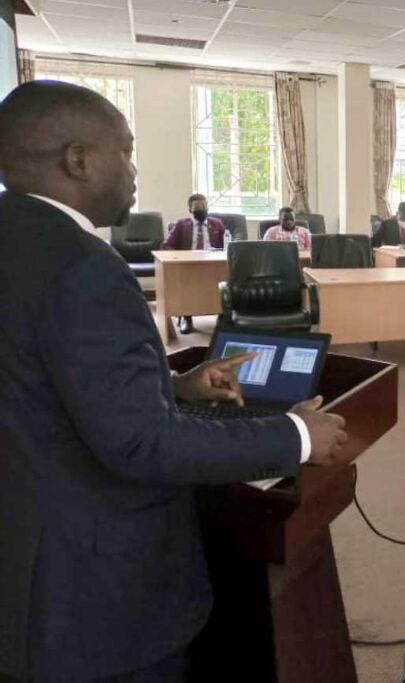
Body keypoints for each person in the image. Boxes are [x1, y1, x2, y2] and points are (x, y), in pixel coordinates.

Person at [0, 81, 351, 683]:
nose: (135, 170)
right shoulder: (84, 265)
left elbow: (37, 371)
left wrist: (175, 385)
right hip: (97, 601)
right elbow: (142, 445)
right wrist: (296, 436)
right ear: (78, 159)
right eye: (127, 151)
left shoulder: (16, 237)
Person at [162, 192, 226, 333]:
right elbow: (166, 245)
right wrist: (182, 256)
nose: (201, 209)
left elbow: (227, 243)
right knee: (187, 282)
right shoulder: (181, 225)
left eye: (204, 206)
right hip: (189, 265)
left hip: (212, 263)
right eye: (197, 207)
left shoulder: (217, 224)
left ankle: (222, 318)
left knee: (223, 278)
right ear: (190, 210)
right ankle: (187, 318)